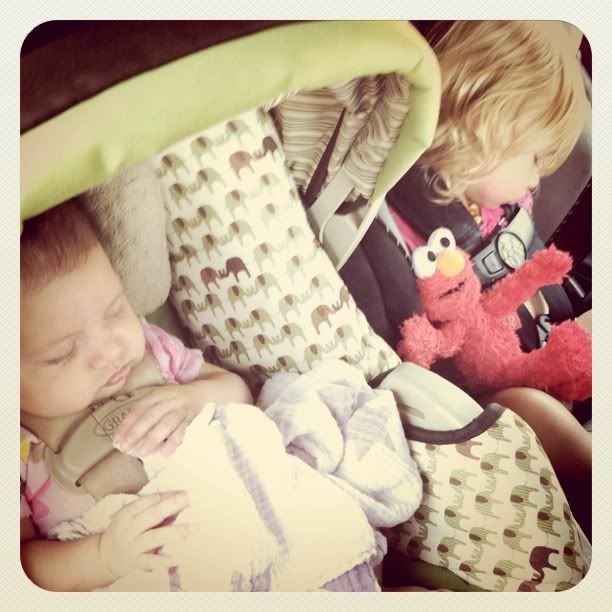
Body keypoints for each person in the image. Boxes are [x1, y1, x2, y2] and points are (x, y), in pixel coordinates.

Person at [20, 198, 253, 591]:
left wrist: (192, 399)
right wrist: (104, 557)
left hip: (227, 513)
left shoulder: (152, 351)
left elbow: (240, 392)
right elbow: (23, 565)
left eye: (115, 310)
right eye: (63, 353)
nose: (110, 351)